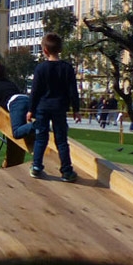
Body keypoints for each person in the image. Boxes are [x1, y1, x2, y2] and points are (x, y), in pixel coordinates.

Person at [27, 33, 81, 182]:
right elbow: (73, 91)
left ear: (45, 50)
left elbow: (35, 91)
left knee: (41, 138)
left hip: (43, 107)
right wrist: (76, 109)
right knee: (61, 140)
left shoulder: (41, 68)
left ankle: (36, 166)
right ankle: (66, 171)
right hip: (59, 107)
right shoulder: (67, 68)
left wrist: (31, 109)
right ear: (60, 49)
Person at [0, 61, 33, 140]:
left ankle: (39, 124)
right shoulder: (11, 83)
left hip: (15, 103)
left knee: (16, 132)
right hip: (26, 99)